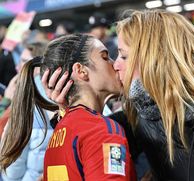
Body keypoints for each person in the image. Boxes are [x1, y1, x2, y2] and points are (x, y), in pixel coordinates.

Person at [44, 9, 194, 181]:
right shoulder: (143, 106)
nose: (116, 64)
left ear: (155, 58)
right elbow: (94, 138)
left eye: (124, 56)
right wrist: (69, 110)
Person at [0, 33, 136, 181]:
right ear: (81, 71)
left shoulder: (60, 130)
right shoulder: (102, 130)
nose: (115, 64)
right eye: (105, 57)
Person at [0, 41, 54, 181]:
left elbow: (11, 166)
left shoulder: (26, 99)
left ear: (38, 66)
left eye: (24, 61)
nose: (18, 67)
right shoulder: (61, 93)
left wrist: (7, 102)